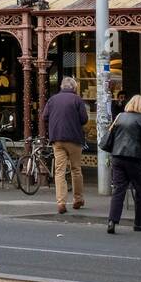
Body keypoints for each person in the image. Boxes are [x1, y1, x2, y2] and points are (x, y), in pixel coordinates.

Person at [101, 94, 141, 234]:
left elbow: (111, 137)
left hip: (117, 157)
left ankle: (112, 221)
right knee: (140, 190)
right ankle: (139, 223)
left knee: (119, 189)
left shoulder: (119, 117)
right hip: (135, 158)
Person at [40, 76, 88, 214]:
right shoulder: (77, 100)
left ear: (62, 87)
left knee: (59, 171)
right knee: (76, 169)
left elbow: (44, 117)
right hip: (74, 139)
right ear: (74, 88)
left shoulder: (52, 99)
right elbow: (84, 119)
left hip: (57, 139)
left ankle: (61, 202)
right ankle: (78, 199)